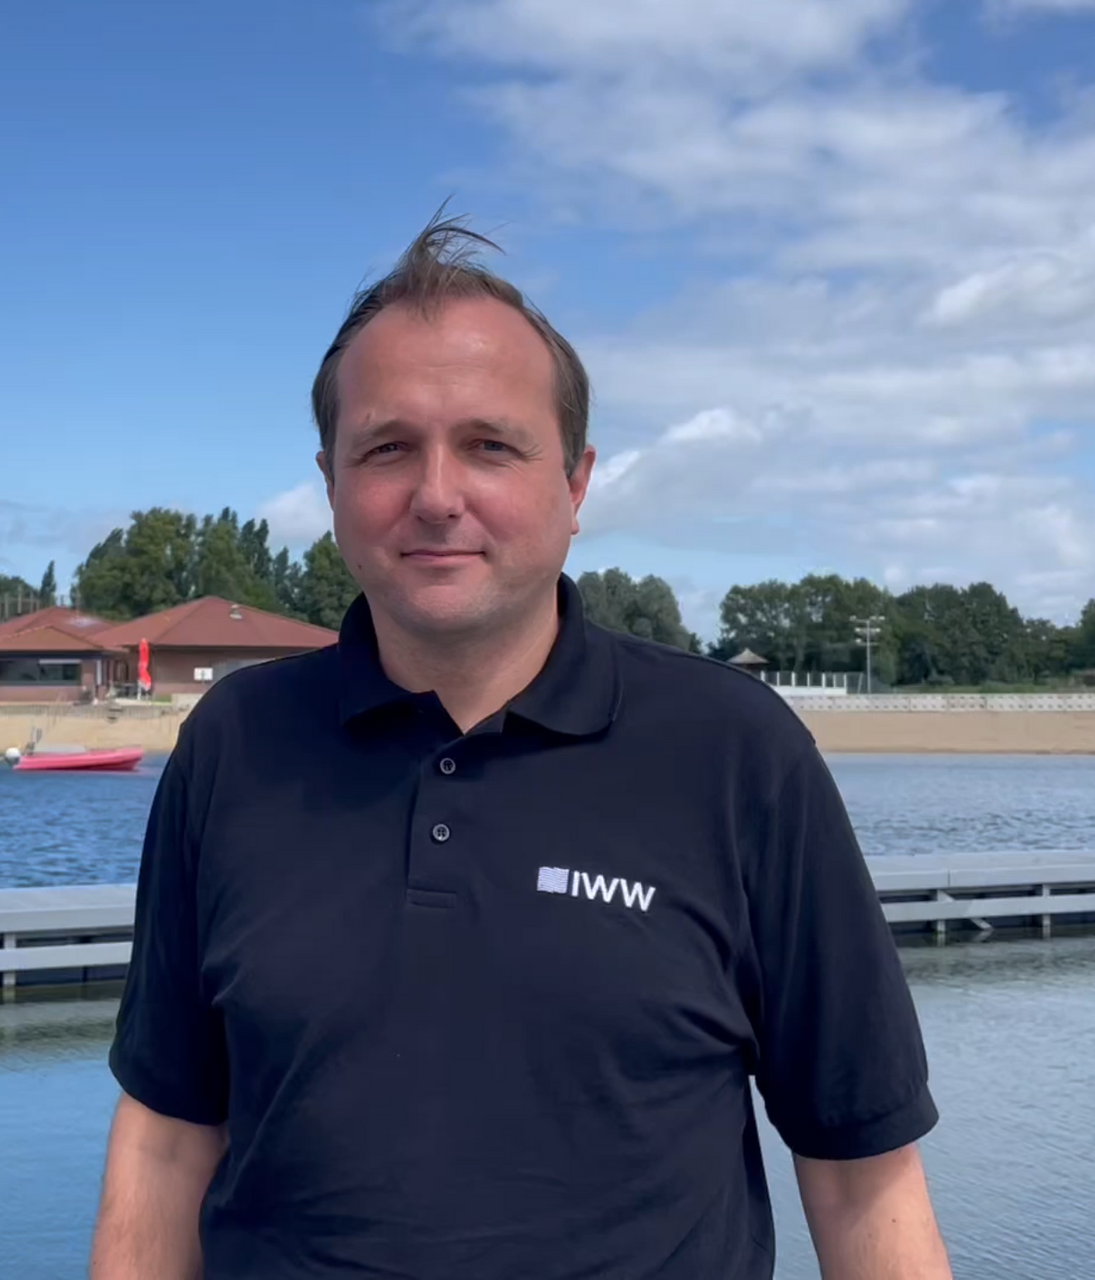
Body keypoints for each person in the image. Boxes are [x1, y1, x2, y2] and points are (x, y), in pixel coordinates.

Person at [91, 214, 952, 1280]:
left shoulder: (735, 753)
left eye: (490, 445)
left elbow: (860, 1178)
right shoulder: (234, 744)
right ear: (330, 482)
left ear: (575, 483)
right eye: (387, 448)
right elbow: (168, 1135)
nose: (436, 495)